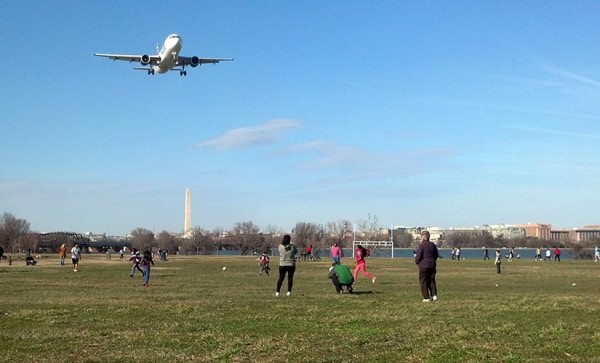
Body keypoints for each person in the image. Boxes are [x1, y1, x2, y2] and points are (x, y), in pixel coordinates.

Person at [414, 231, 438, 302]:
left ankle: (426, 297)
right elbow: (436, 255)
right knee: (432, 280)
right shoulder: (433, 245)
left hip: (423, 266)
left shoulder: (422, 245)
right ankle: (434, 295)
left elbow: (418, 257)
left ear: (423, 237)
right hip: (432, 265)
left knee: (423, 281)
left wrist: (418, 263)